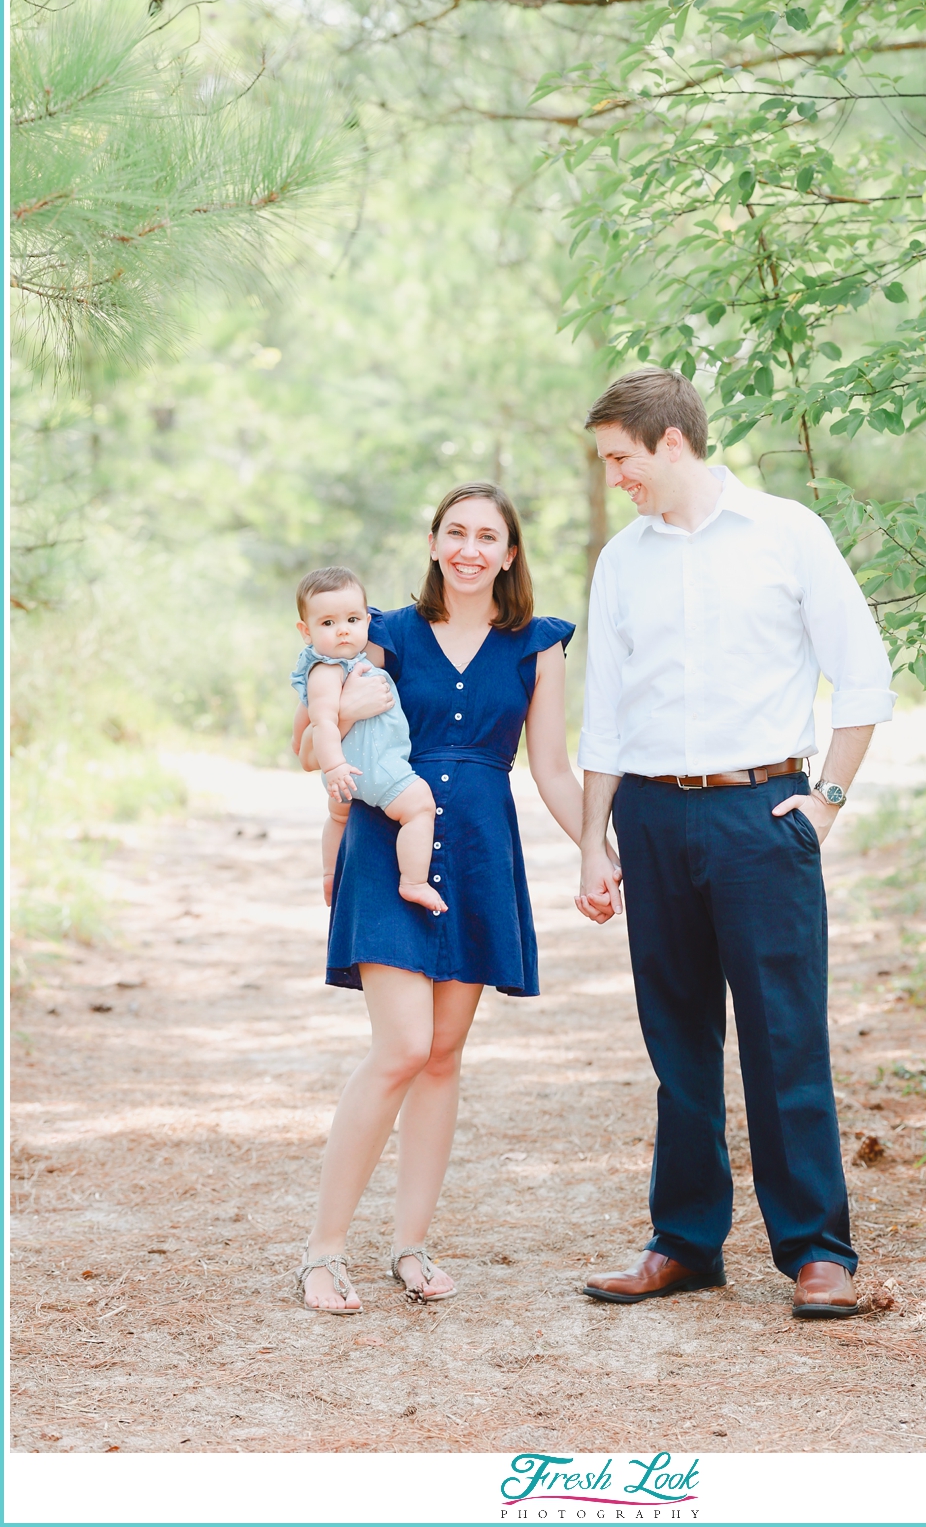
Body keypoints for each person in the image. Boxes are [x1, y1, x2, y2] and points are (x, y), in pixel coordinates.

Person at [574, 369, 895, 1320]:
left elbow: (863, 675)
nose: (614, 478)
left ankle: (815, 1252)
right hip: (652, 816)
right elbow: (605, 714)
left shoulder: (787, 533)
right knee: (677, 1040)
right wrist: (593, 840)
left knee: (783, 1034)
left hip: (764, 814)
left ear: (671, 442)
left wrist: (827, 801)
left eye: (620, 459)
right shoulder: (622, 560)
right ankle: (684, 1242)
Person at [290, 482, 599, 1314]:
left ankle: (410, 1246)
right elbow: (312, 735)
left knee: (442, 1057)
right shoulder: (383, 631)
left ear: (509, 552)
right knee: (400, 1047)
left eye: (486, 536)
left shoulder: (538, 645)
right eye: (454, 532)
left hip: (479, 854)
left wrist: (595, 855)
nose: (469, 548)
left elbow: (551, 770)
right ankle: (321, 1255)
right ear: (433, 543)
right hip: (389, 840)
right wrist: (345, 707)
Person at [291, 566, 445, 915]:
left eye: (352, 619)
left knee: (339, 819)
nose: (342, 630)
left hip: (347, 774)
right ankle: (414, 881)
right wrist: (335, 767)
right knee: (420, 806)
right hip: (370, 768)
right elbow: (324, 724)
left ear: (366, 620)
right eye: (328, 623)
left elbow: (299, 732)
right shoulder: (327, 671)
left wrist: (335, 772)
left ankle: (331, 873)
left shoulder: (338, 665)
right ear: (306, 631)